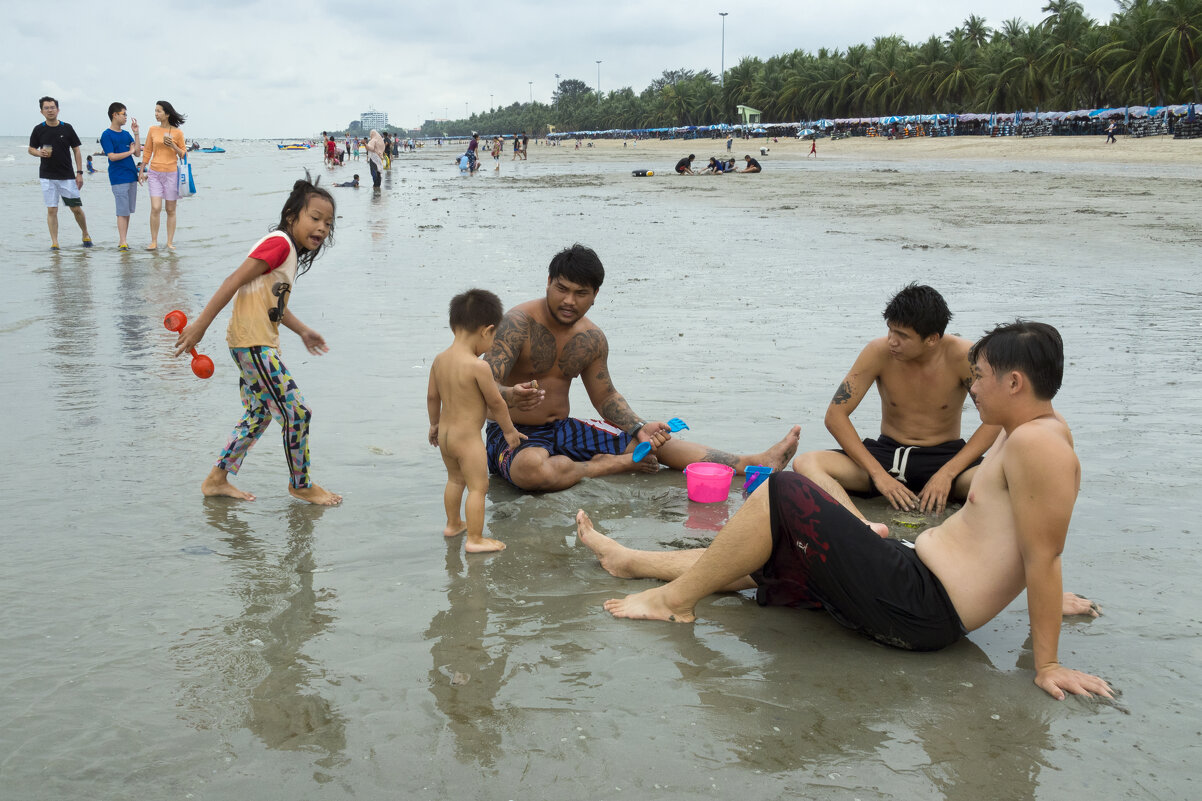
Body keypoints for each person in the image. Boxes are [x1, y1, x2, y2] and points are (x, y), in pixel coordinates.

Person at [578, 321, 1114, 701]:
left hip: (919, 605)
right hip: (911, 576)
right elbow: (1019, 542)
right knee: (774, 540)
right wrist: (1040, 589)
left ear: (1015, 383)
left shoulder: (1038, 446)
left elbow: (1043, 553)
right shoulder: (1031, 430)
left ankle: (673, 602)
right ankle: (632, 561)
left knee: (784, 493)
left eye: (981, 378)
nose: (971, 389)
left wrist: (1047, 663)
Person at [482, 244, 801, 492]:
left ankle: (752, 462)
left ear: (595, 295)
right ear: (548, 282)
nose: (569, 301)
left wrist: (639, 426)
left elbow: (605, 397)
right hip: (514, 433)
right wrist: (509, 394)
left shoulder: (591, 339)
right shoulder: (517, 323)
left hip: (563, 428)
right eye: (562, 289)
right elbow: (482, 383)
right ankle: (609, 466)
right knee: (532, 470)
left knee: (647, 447)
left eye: (581, 293)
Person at [172, 175, 341, 506]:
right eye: (315, 218)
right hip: (252, 345)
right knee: (298, 413)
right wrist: (200, 325)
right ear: (292, 215)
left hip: (252, 343)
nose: (321, 228)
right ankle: (300, 483)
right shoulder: (279, 244)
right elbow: (233, 279)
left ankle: (216, 479)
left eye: (328, 223)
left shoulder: (286, 251)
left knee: (260, 413)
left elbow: (272, 307)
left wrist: (303, 330)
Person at [792, 284, 997, 533]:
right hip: (888, 456)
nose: (892, 341)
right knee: (806, 463)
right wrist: (879, 476)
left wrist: (948, 473)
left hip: (946, 458)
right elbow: (835, 416)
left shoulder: (965, 356)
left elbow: (995, 418)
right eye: (890, 330)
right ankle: (864, 522)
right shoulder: (878, 352)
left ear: (932, 338)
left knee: (1005, 482)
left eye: (902, 335)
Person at [427, 289, 528, 553]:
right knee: (478, 487)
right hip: (467, 439)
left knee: (454, 480)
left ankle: (452, 524)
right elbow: (496, 403)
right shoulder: (479, 367)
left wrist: (434, 425)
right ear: (487, 330)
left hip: (447, 436)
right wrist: (509, 432)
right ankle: (475, 539)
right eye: (493, 337)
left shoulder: (439, 360)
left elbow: (432, 396)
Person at [28, 96, 93, 250]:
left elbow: (76, 150)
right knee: (52, 209)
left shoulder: (67, 128)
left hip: (67, 177)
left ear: (58, 109)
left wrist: (79, 173)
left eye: (52, 107)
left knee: (75, 208)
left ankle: (85, 233)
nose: (50, 110)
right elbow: (31, 149)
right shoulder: (39, 129)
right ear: (41, 111)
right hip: (47, 176)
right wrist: (39, 153)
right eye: (46, 108)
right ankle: (55, 243)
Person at [139, 100, 186, 250]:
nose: (156, 114)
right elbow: (147, 151)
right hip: (154, 173)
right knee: (156, 207)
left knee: (171, 209)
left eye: (159, 111)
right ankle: (154, 242)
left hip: (171, 173)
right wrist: (141, 170)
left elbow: (183, 155)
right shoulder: (152, 130)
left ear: (167, 113)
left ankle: (169, 243)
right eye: (155, 111)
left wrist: (173, 145)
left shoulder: (178, 133)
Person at [100, 102, 142, 250]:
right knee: (121, 210)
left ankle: (123, 240)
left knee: (127, 210)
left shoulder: (126, 134)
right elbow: (112, 156)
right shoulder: (106, 135)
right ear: (115, 115)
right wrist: (130, 152)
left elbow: (137, 153)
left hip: (131, 175)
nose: (126, 117)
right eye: (124, 114)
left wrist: (136, 133)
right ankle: (122, 241)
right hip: (118, 177)